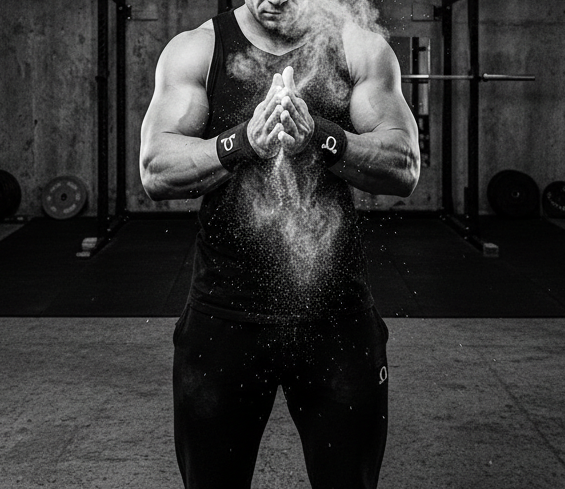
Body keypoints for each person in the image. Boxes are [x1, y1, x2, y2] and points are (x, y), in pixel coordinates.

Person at [138, 0, 419, 487]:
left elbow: (403, 165)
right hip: (225, 315)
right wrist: (244, 141)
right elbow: (156, 168)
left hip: (336, 317)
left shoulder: (357, 46)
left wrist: (322, 136)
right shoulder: (198, 49)